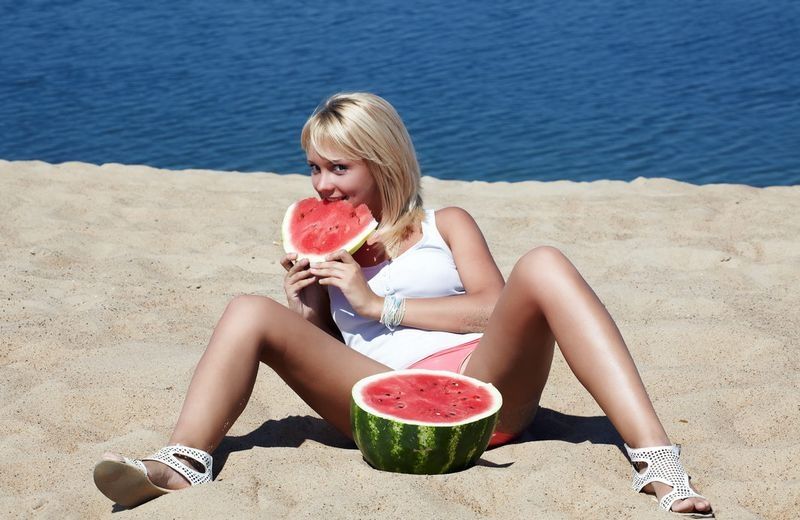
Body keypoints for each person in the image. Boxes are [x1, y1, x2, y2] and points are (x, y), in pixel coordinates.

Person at [93, 92, 714, 516]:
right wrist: (310, 309)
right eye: (313, 168)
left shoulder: (449, 224)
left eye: (338, 167)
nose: (322, 185)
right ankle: (183, 463)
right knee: (246, 309)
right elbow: (334, 359)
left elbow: (492, 309)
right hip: (382, 405)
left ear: (383, 161)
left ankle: (656, 460)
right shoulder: (327, 251)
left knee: (544, 263)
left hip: (488, 391)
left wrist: (376, 301)